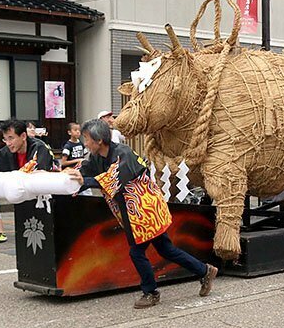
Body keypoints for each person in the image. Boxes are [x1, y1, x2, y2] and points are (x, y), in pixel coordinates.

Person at [66, 119, 218, 309]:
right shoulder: (98, 156)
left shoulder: (123, 154)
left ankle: (151, 292)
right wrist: (67, 177)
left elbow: (112, 179)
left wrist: (85, 182)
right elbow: (86, 170)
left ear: (99, 140)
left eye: (87, 139)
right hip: (133, 212)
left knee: (136, 252)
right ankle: (204, 271)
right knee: (166, 249)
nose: (84, 143)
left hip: (145, 210)